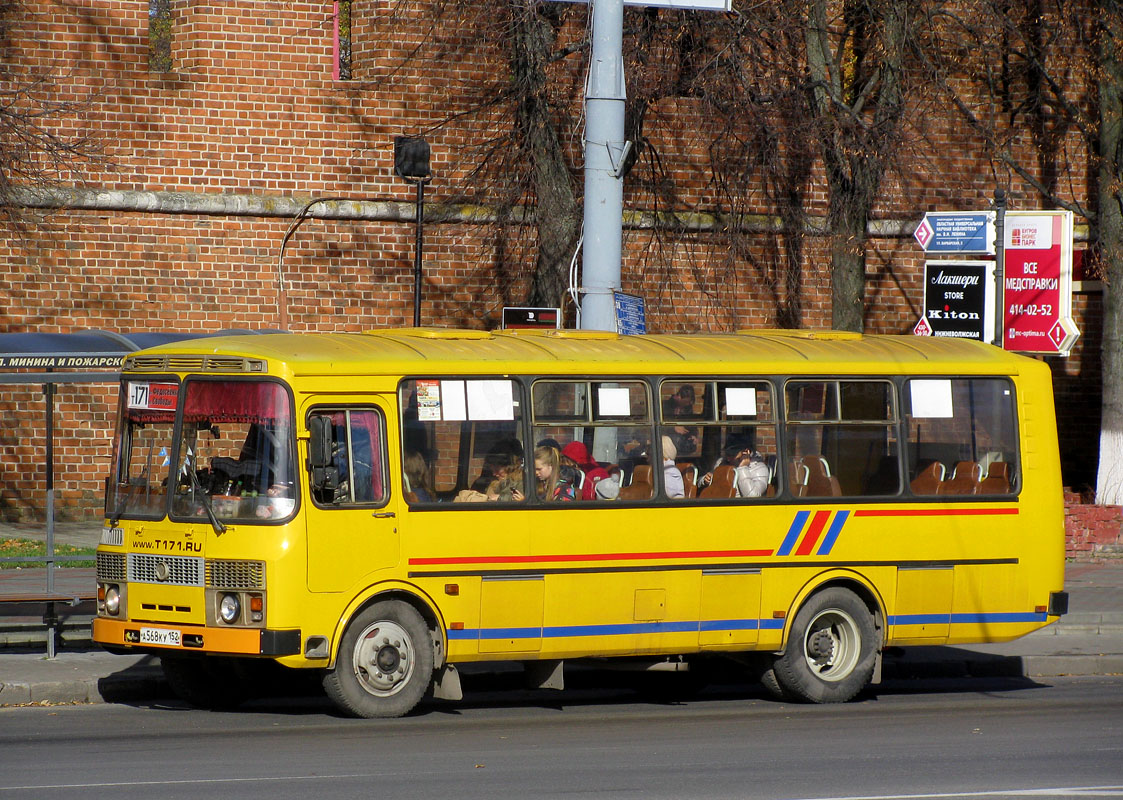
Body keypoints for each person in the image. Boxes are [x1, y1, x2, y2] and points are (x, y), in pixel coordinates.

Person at [662, 384, 698, 456]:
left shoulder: (687, 408)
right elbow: (657, 426)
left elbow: (692, 425)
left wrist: (693, 435)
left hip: (682, 445)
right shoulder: (665, 406)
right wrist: (673, 428)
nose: (688, 404)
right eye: (686, 401)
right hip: (667, 445)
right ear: (679, 397)